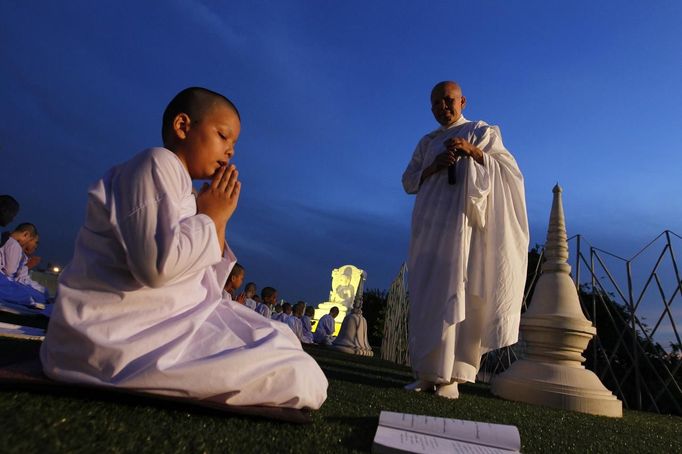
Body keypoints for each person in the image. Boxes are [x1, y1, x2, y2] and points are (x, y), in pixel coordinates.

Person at [40, 87, 328, 409]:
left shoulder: (186, 189)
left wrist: (218, 219)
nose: (230, 151)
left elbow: (206, 283)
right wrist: (209, 217)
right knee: (296, 374)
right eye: (223, 136)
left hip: (161, 323)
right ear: (182, 126)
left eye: (234, 145)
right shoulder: (154, 163)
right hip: (118, 334)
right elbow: (155, 267)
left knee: (284, 341)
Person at [402, 81, 528, 399]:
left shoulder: (480, 131)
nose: (443, 107)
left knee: (456, 291)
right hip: (429, 225)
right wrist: (433, 167)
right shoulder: (427, 142)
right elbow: (408, 181)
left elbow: (509, 173)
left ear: (462, 101)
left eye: (448, 100)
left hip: (462, 226)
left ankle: (452, 377)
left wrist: (473, 151)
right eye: (436, 103)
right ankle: (427, 372)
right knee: (427, 293)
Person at [0, 223, 48, 305]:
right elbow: (10, 272)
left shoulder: (9, 242)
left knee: (37, 295)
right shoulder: (14, 244)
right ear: (26, 234)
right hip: (4, 280)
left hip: (6, 279)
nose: (34, 245)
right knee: (28, 296)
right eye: (34, 241)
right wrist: (28, 266)